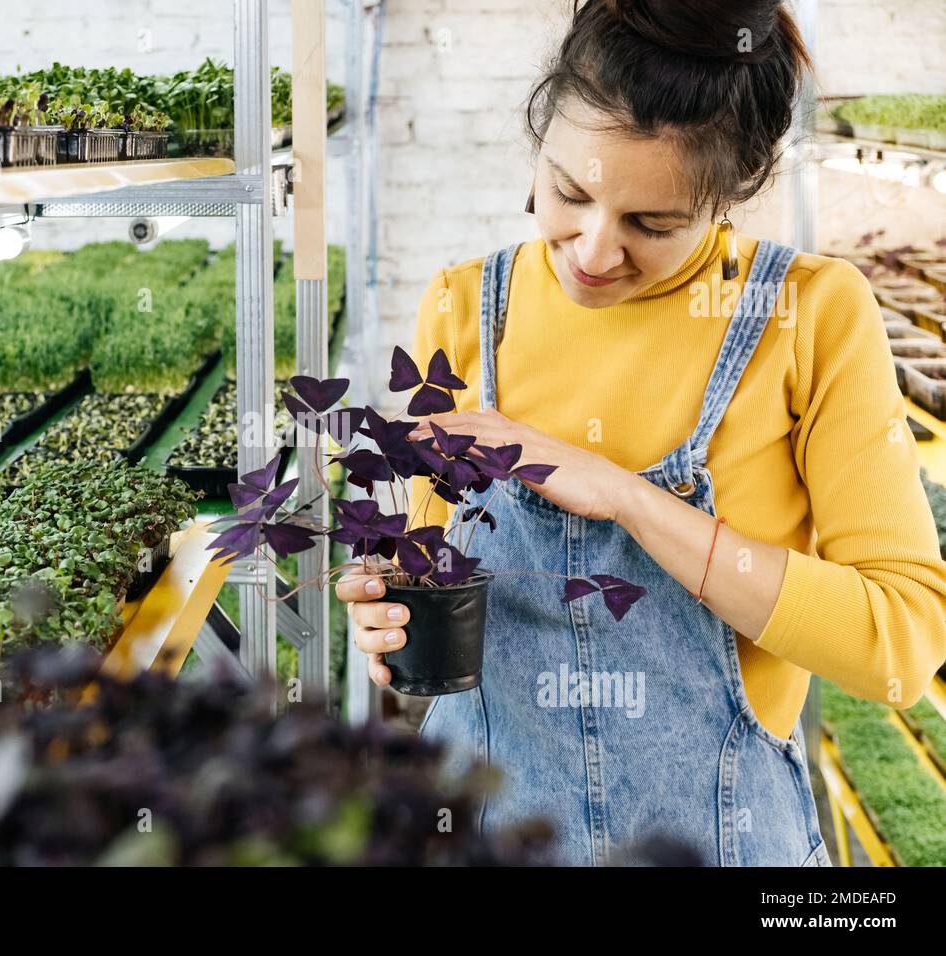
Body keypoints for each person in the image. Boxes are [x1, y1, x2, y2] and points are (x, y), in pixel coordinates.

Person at [336, 0, 946, 866]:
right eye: (569, 193)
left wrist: (627, 498)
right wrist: (390, 631)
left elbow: (902, 647)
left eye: (650, 225)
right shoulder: (460, 309)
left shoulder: (806, 315)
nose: (590, 252)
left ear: (731, 194)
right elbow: (435, 606)